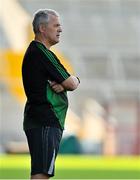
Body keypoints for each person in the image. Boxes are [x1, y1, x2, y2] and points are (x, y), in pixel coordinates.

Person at [22, 9, 80, 179]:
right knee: (41, 174)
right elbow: (71, 83)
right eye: (56, 25)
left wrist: (68, 83)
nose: (60, 29)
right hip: (45, 120)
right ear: (42, 28)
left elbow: (67, 83)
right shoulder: (42, 53)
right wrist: (73, 81)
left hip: (40, 120)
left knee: (40, 172)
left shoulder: (37, 52)